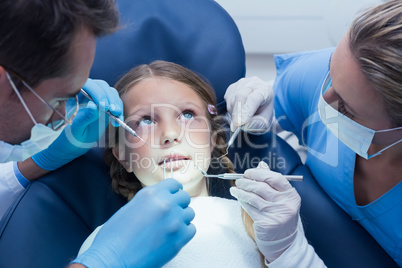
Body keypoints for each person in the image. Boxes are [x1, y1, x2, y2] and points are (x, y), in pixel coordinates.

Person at [0, 1, 195, 268]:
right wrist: (104, 262)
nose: (65, 117)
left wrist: (29, 167)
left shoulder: (260, 224)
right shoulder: (98, 243)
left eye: (187, 115)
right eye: (61, 99)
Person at [226, 0, 402, 266]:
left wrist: (291, 255)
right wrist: (259, 102)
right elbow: (281, 98)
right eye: (331, 74)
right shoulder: (344, 71)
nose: (323, 101)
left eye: (345, 107)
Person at [77, 60, 301, 267]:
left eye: (186, 115)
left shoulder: (269, 223)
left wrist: (290, 250)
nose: (171, 134)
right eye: (145, 120)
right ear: (123, 156)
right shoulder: (105, 246)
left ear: (212, 140)